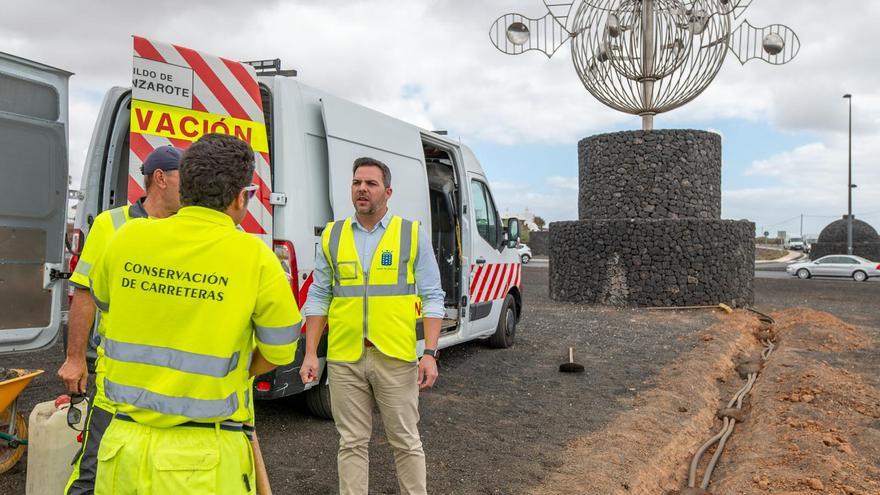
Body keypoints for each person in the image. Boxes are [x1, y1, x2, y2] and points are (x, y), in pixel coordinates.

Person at [87, 133, 300, 493]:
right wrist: (234, 371)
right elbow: (280, 348)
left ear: (184, 187)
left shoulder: (125, 238)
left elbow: (105, 304)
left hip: (122, 449)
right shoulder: (255, 257)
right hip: (204, 461)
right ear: (240, 197)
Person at [299, 157, 445, 495]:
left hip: (394, 355)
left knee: (406, 440)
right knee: (350, 442)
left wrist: (430, 353)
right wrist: (310, 354)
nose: (362, 189)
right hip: (345, 357)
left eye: (371, 183)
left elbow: (433, 295)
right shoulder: (333, 235)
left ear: (388, 191)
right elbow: (319, 295)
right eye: (356, 183)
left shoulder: (410, 233)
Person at [61, 145, 182, 494]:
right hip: (118, 377)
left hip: (170, 378)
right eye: (182, 177)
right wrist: (74, 359)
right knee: (95, 468)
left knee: (154, 473)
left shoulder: (186, 227)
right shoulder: (111, 223)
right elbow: (84, 292)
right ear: (160, 178)